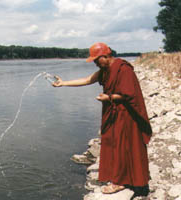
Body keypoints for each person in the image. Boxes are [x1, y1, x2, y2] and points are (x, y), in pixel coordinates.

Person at [53, 42, 152, 195]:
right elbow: (87, 80)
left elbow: (129, 95)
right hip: (112, 111)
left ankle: (119, 182)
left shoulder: (123, 69)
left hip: (125, 114)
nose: (95, 63)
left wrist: (109, 97)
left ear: (105, 56)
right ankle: (123, 177)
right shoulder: (104, 70)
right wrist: (63, 83)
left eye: (96, 60)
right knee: (112, 143)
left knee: (122, 145)